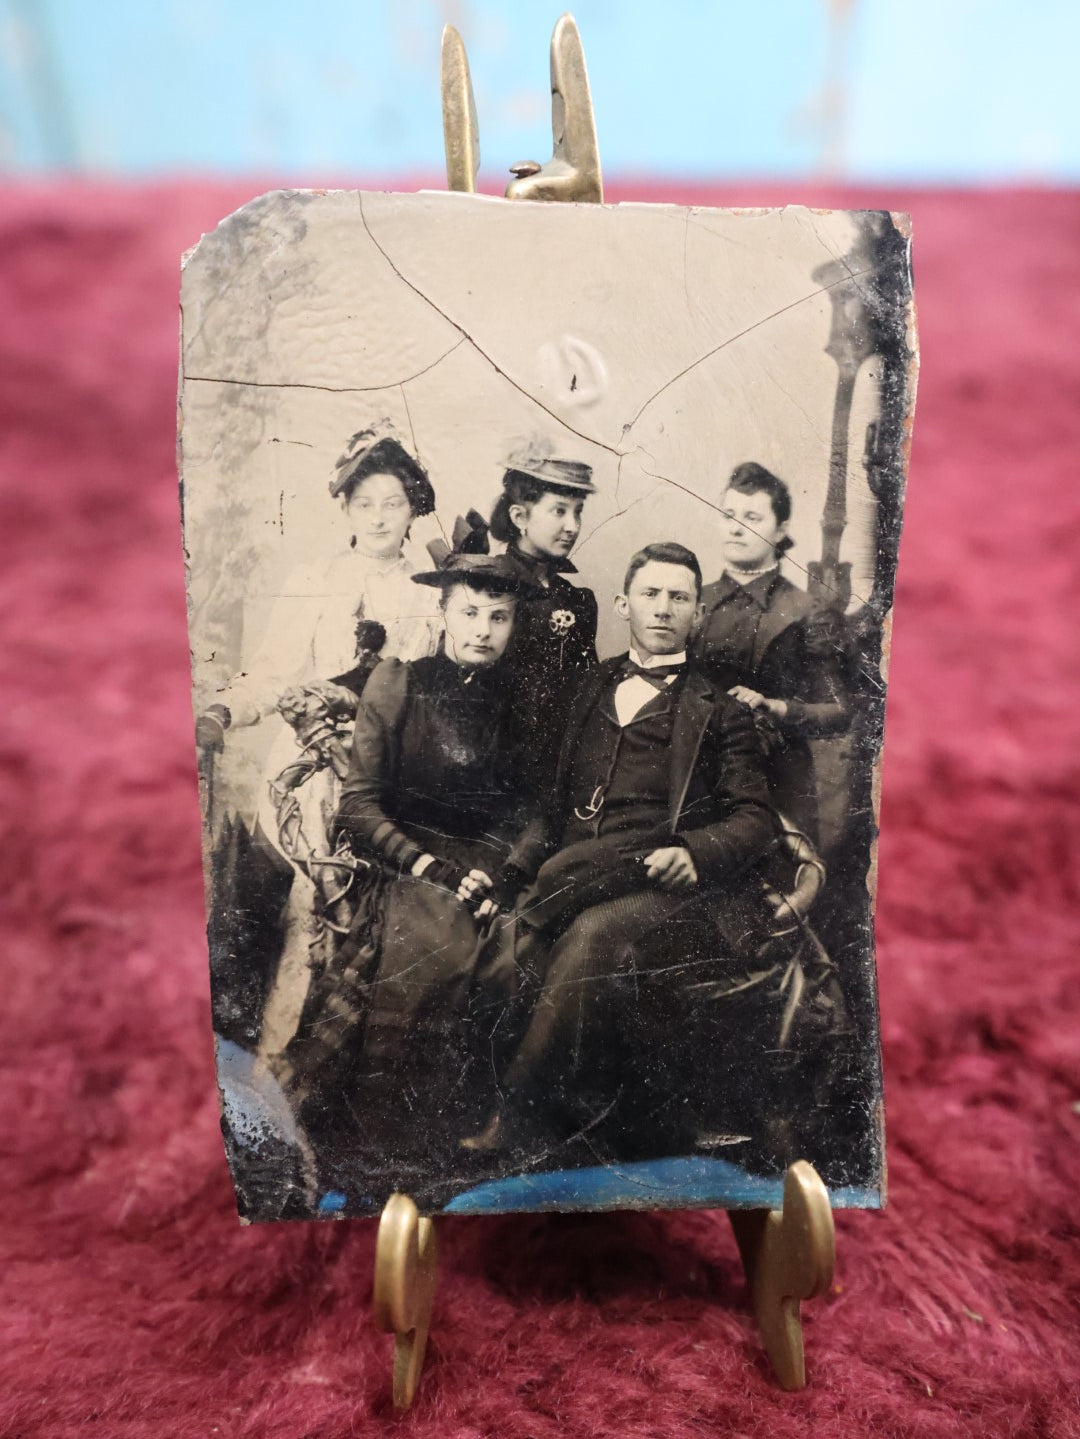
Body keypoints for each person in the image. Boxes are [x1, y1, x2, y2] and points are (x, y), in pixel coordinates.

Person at [464, 541, 786, 1158]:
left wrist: (695, 851)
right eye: (650, 593)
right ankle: (540, 1112)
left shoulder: (720, 709)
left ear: (698, 613)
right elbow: (551, 809)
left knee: (592, 937)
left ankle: (521, 1123)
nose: (663, 608)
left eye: (679, 597)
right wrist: (511, 873)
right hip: (574, 875)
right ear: (623, 604)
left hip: (666, 887)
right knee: (508, 949)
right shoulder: (585, 688)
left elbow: (756, 818)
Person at [194, 424, 443, 1056]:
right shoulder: (316, 577)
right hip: (303, 774)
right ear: (346, 509)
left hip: (382, 779)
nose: (379, 517)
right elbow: (272, 671)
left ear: (413, 507)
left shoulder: (433, 592)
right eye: (364, 504)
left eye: (393, 503)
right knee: (268, 913)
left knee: (354, 927)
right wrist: (225, 710)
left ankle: (315, 1070)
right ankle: (238, 1063)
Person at [286, 553, 542, 1164]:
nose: (483, 630)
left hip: (488, 863)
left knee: (518, 949)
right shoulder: (399, 680)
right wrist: (425, 864)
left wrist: (500, 872)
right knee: (440, 948)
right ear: (444, 612)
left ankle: (473, 1133)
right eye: (470, 613)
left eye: (499, 617)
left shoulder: (526, 696)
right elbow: (359, 804)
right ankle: (393, 1142)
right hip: (409, 860)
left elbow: (534, 808)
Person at [693, 462, 851, 842]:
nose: (735, 528)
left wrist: (777, 707)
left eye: (751, 518)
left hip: (779, 781)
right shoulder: (694, 600)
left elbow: (839, 712)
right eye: (728, 515)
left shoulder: (809, 611)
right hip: (698, 775)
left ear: (780, 530)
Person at [485, 451, 600, 793]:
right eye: (559, 511)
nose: (572, 526)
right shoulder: (490, 587)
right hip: (496, 764)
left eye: (578, 512)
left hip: (563, 765)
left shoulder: (576, 599)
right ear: (520, 516)